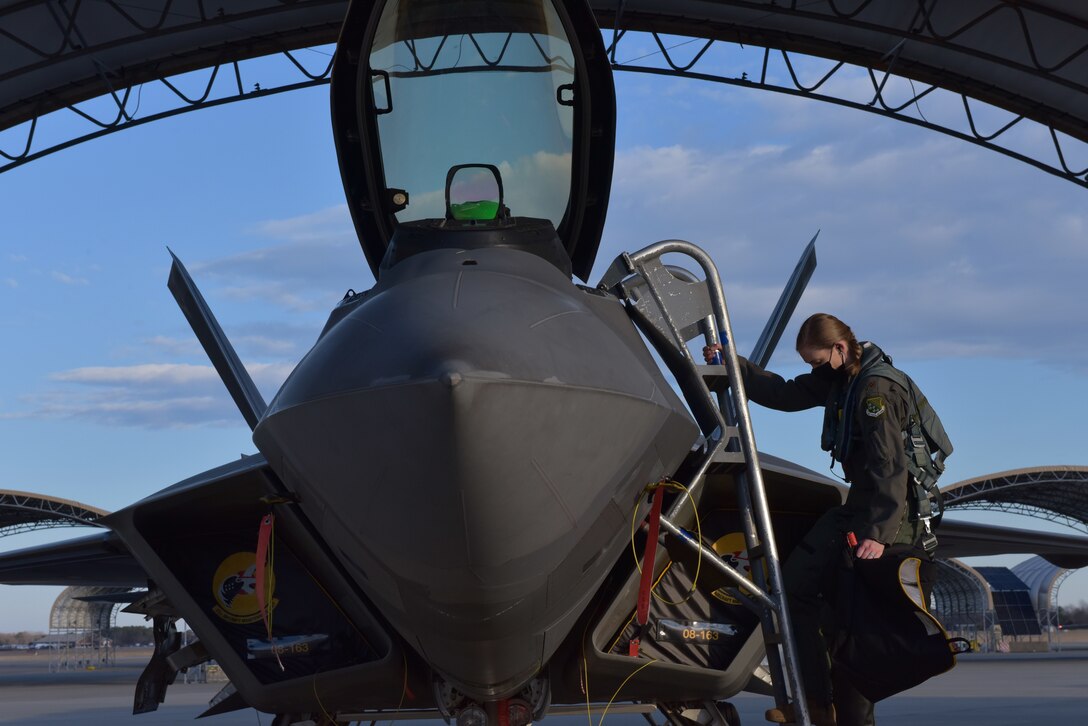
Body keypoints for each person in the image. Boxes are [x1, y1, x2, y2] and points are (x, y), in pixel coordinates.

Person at [703, 313, 928, 726]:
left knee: (850, 621)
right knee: (796, 590)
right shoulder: (842, 378)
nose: (813, 371)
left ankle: (830, 708)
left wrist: (878, 534)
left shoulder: (874, 391)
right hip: (861, 505)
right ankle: (816, 705)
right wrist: (732, 364)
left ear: (840, 349)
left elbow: (891, 468)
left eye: (817, 361)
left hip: (890, 515)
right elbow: (785, 394)